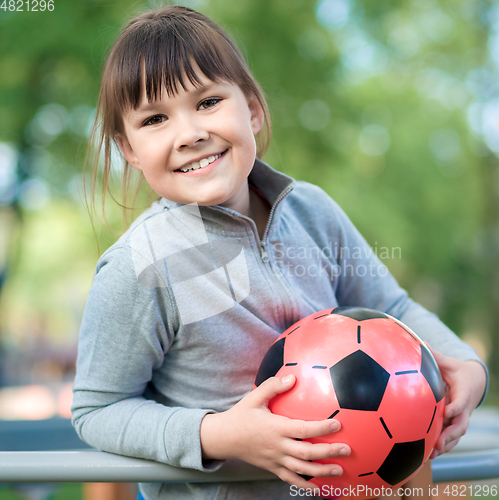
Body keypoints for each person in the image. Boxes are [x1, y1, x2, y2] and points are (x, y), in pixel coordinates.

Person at [71, 5, 488, 500]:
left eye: (207, 102)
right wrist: (219, 434)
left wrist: (465, 364)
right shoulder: (140, 266)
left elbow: (394, 309)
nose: (189, 134)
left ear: (250, 107)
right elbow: (98, 411)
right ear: (130, 150)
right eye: (156, 118)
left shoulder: (311, 211)